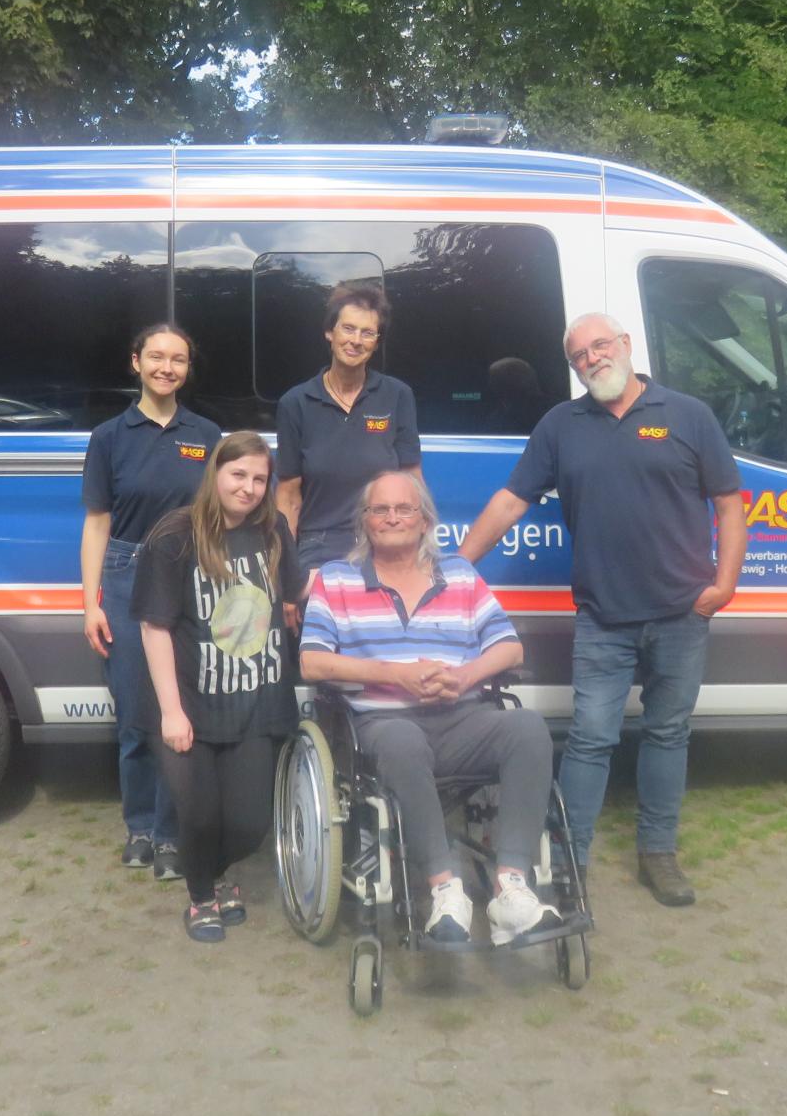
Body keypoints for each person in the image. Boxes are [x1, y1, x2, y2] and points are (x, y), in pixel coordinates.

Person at [459, 313, 747, 908]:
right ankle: (572, 861)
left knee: (668, 734)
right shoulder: (561, 426)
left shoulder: (688, 415)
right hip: (602, 617)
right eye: (579, 355)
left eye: (600, 346)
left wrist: (724, 584)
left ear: (626, 345)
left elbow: (729, 504)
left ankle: (658, 854)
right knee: (590, 739)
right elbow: (511, 502)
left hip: (682, 613)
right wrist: (455, 568)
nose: (592, 358)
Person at [299, 471, 560, 947]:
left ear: (424, 521)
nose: (392, 518)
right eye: (380, 510)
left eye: (404, 509)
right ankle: (444, 890)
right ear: (364, 521)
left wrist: (464, 676)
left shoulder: (459, 574)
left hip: (462, 718)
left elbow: (510, 648)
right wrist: (395, 675)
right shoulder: (336, 579)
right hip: (383, 724)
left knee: (527, 728)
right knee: (402, 741)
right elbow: (312, 662)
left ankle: (510, 889)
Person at [135, 432, 308, 942]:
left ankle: (215, 873)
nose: (249, 488)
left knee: (251, 824)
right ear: (215, 473)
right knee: (200, 816)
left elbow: (300, 590)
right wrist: (172, 711)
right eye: (238, 475)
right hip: (188, 703)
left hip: (256, 702)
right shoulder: (175, 536)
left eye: (259, 478)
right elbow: (154, 627)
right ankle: (202, 896)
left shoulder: (273, 530)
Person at [80, 325, 222, 881]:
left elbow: (218, 516)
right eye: (157, 357)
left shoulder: (206, 434)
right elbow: (97, 524)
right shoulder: (109, 437)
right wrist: (91, 603)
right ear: (135, 362)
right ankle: (139, 827)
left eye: (178, 359)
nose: (167, 368)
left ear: (188, 369)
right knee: (136, 715)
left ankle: (170, 834)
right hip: (125, 574)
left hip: (188, 573)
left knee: (179, 709)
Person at [275, 281, 422, 570]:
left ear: (376, 342)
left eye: (367, 333)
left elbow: (412, 479)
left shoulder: (397, 395)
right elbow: (289, 495)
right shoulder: (295, 403)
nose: (356, 340)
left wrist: (420, 547)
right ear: (329, 332)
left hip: (384, 540)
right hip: (318, 546)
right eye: (348, 328)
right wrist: (287, 568)